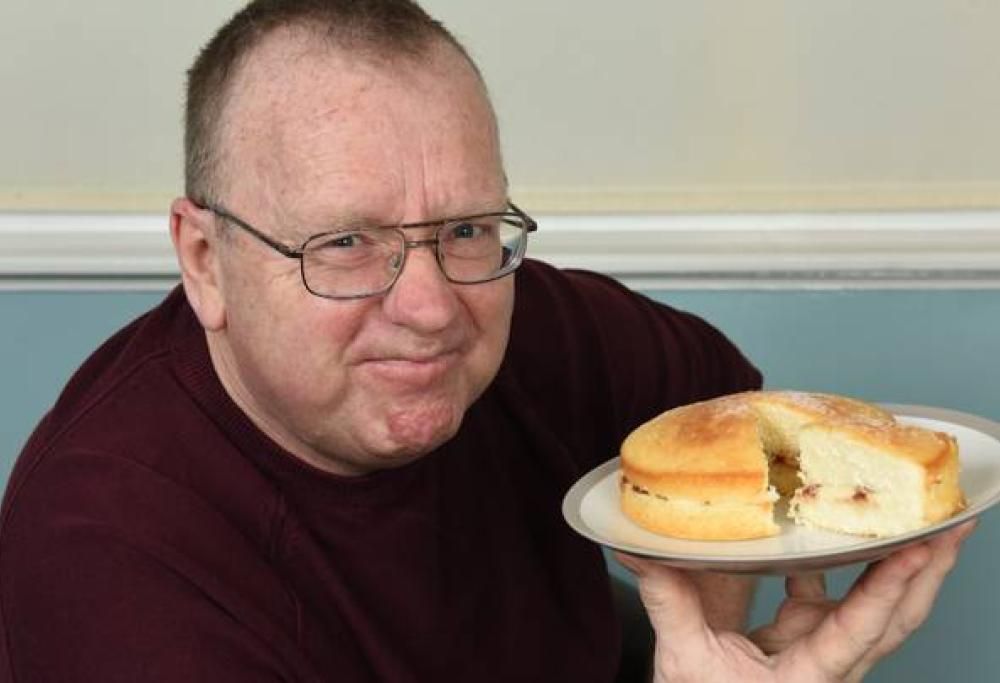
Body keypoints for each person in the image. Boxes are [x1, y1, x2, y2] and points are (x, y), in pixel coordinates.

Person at [0, 1, 973, 681]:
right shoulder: (103, 547)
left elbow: (721, 395)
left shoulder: (524, 324)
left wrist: (709, 637)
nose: (430, 307)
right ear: (205, 259)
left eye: (465, 227)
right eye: (346, 242)